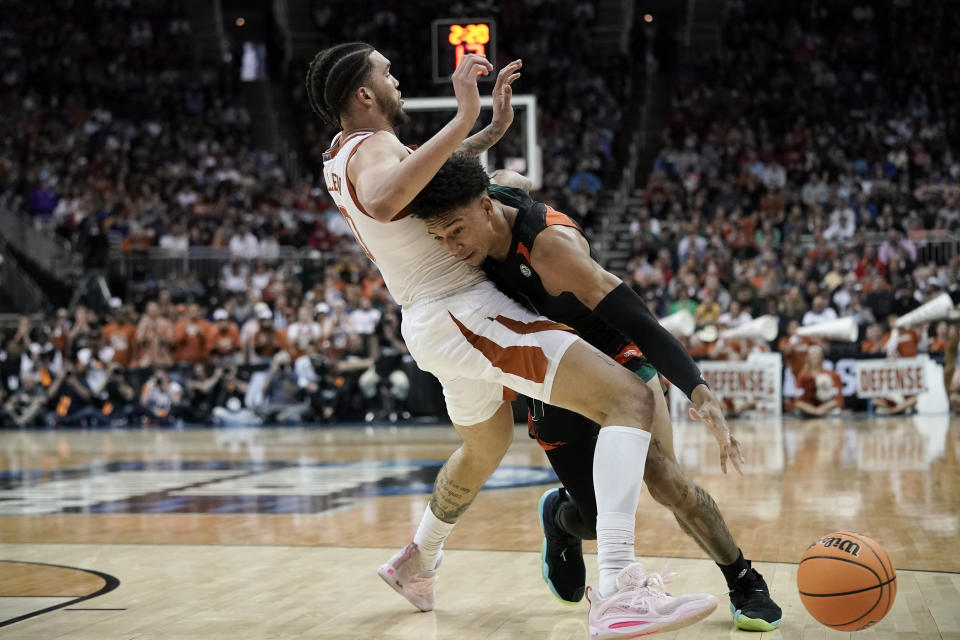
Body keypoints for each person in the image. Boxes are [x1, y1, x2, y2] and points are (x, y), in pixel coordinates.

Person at [308, 42, 723, 634]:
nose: (397, 81)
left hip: (432, 320)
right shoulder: (374, 147)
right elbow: (384, 197)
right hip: (462, 311)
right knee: (628, 399)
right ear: (365, 94)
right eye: (388, 74)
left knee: (485, 448)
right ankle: (618, 592)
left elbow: (422, 186)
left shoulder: (342, 154)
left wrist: (484, 134)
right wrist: (461, 116)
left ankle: (418, 559)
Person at [407, 154, 780, 631]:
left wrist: (698, 390)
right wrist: (489, 132)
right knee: (597, 516)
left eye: (456, 230)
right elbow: (508, 177)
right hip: (546, 365)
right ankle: (561, 518)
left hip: (608, 345)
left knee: (666, 480)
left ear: (484, 208)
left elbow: (636, 318)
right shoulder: (490, 193)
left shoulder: (550, 250)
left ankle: (743, 578)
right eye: (439, 238)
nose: (450, 247)